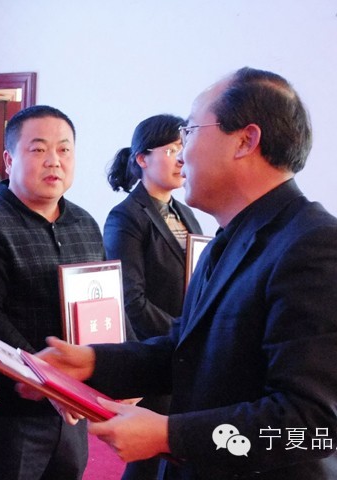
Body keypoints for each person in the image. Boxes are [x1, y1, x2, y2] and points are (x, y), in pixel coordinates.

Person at [34, 68, 337, 479]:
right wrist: (94, 362)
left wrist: (171, 435)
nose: (181, 155)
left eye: (190, 132)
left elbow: (312, 424)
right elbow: (188, 352)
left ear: (246, 141)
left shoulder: (320, 250)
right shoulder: (230, 238)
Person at [0, 105, 105, 479]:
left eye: (64, 149)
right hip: (11, 408)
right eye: (38, 149)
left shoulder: (85, 223)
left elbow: (103, 302)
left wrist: (116, 367)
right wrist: (48, 381)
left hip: (71, 407)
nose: (54, 160)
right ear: (9, 160)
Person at [103, 114, 203, 480]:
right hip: (158, 353)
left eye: (184, 148)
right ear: (142, 158)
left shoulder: (187, 213)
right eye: (172, 150)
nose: (182, 158)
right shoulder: (126, 217)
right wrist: (184, 338)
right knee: (148, 465)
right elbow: (131, 300)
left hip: (187, 356)